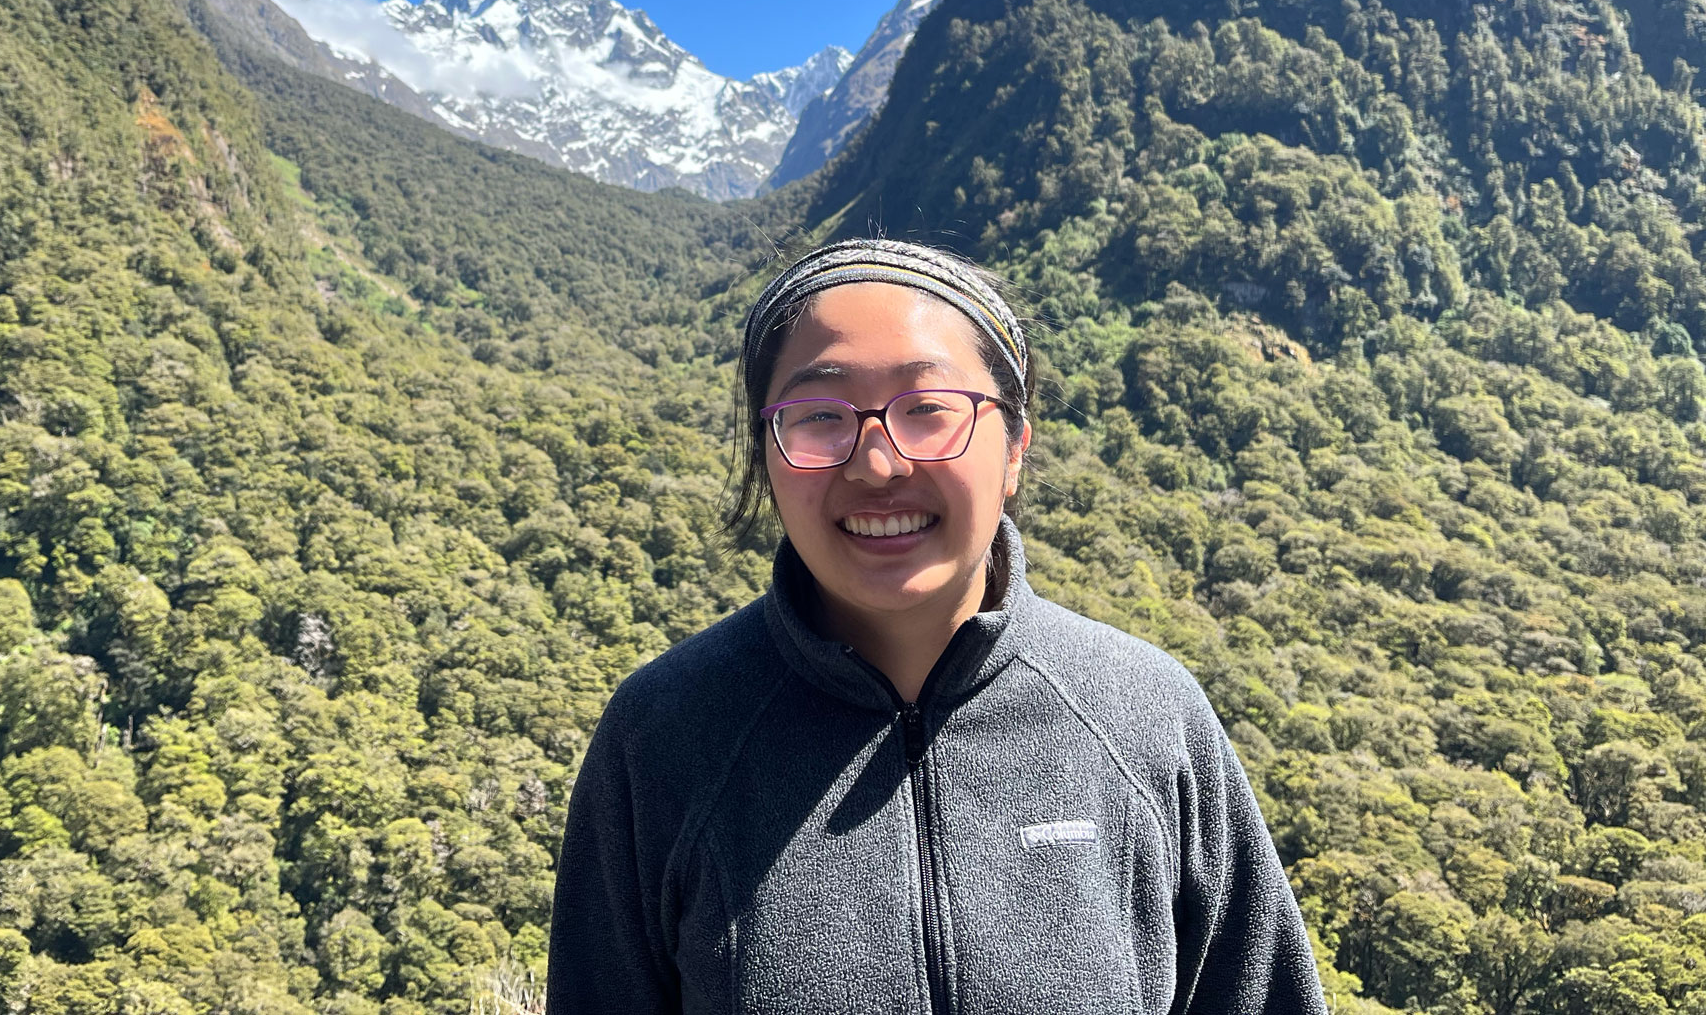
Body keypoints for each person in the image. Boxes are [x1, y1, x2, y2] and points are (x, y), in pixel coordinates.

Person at [547, 238, 1327, 1014]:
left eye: (927, 410)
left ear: (1015, 445)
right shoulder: (663, 738)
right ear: (767, 452)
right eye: (819, 415)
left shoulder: (1145, 717)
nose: (876, 465)